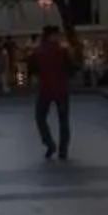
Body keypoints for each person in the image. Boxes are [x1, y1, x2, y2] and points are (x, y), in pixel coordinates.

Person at [30, 23, 73, 160]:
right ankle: (63, 149)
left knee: (40, 117)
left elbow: (32, 69)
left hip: (45, 89)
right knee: (63, 120)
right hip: (61, 88)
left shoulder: (38, 51)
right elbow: (71, 69)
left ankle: (49, 143)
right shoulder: (63, 51)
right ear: (53, 35)